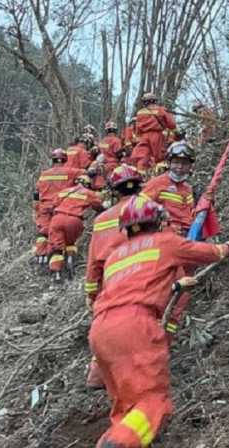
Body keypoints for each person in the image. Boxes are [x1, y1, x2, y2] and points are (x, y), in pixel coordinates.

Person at [88, 196, 229, 447]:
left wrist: (174, 285)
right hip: (135, 325)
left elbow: (133, 285)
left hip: (101, 330)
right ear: (159, 222)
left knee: (127, 408)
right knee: (152, 403)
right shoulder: (165, 242)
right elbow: (206, 252)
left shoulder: (115, 256)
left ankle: (119, 439)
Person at [84, 164, 144, 390]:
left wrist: (91, 293)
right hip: (139, 276)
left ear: (114, 190)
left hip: (110, 282)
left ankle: (98, 376)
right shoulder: (147, 209)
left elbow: (93, 263)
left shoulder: (101, 221)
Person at [48, 173, 105, 280]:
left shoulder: (64, 191)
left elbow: (53, 204)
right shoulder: (89, 193)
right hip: (74, 220)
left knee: (57, 248)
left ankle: (56, 274)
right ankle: (70, 264)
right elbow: (98, 206)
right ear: (88, 185)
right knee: (71, 243)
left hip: (57, 218)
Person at [33, 149, 85, 262]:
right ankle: (62, 259)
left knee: (43, 232)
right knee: (60, 234)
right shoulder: (71, 172)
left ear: (53, 160)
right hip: (61, 208)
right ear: (65, 159)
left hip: (45, 207)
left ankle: (41, 257)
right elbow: (86, 174)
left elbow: (36, 193)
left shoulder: (44, 174)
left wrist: (37, 208)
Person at [140, 142, 196, 236]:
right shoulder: (157, 183)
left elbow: (190, 214)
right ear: (169, 163)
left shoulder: (188, 189)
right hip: (164, 237)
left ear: (190, 166)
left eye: (184, 163)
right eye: (176, 162)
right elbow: (138, 207)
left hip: (187, 236)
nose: (180, 167)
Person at [130, 93, 177, 172]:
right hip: (157, 136)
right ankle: (160, 175)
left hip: (144, 137)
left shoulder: (140, 112)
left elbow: (137, 130)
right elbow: (172, 124)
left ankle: (141, 175)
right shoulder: (161, 110)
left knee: (143, 157)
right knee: (159, 158)